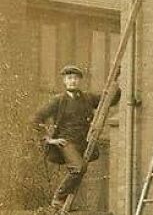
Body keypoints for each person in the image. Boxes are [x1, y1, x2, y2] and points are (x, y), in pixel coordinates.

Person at [34, 65, 120, 206]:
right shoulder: (58, 100)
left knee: (80, 170)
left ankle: (67, 201)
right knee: (78, 168)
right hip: (66, 142)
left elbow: (109, 100)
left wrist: (116, 82)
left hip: (83, 142)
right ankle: (58, 197)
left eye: (75, 78)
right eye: (69, 78)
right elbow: (37, 118)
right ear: (64, 81)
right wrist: (49, 139)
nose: (72, 81)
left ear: (79, 80)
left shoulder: (87, 98)